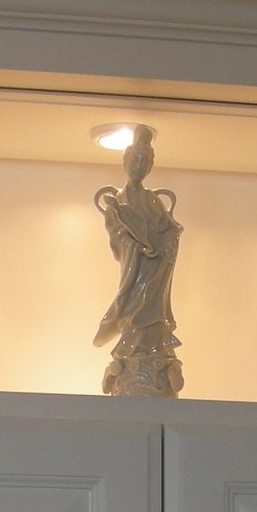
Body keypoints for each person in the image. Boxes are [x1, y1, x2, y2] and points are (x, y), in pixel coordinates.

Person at [93, 127, 184, 396]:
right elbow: (118, 235)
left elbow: (168, 229)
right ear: (125, 162)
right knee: (134, 311)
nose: (138, 166)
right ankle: (131, 363)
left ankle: (156, 360)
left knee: (153, 315)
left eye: (144, 162)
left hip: (155, 271)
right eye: (134, 161)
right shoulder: (119, 201)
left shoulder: (153, 200)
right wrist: (134, 246)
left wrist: (164, 245)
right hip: (137, 269)